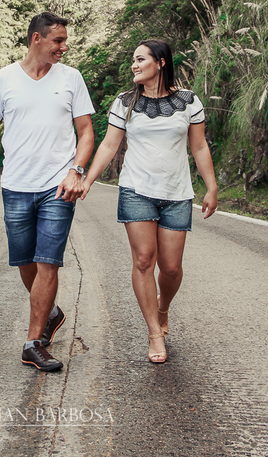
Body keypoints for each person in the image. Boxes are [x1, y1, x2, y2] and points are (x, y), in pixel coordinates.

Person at [79, 39, 218, 364]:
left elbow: (198, 147)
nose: (135, 65)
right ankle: (154, 331)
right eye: (133, 60)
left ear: (161, 62)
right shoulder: (124, 102)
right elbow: (109, 146)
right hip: (136, 191)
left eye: (141, 59)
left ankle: (163, 306)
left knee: (170, 269)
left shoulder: (189, 102)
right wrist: (87, 179)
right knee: (144, 260)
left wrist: (211, 187)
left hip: (176, 194)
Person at [0, 12, 95, 373]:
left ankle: (33, 342)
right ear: (36, 39)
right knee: (24, 262)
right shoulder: (3, 80)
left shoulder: (72, 78)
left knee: (48, 260)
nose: (64, 46)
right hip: (15, 185)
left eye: (64, 40)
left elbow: (86, 132)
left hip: (58, 185)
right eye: (58, 40)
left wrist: (76, 171)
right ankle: (52, 312)